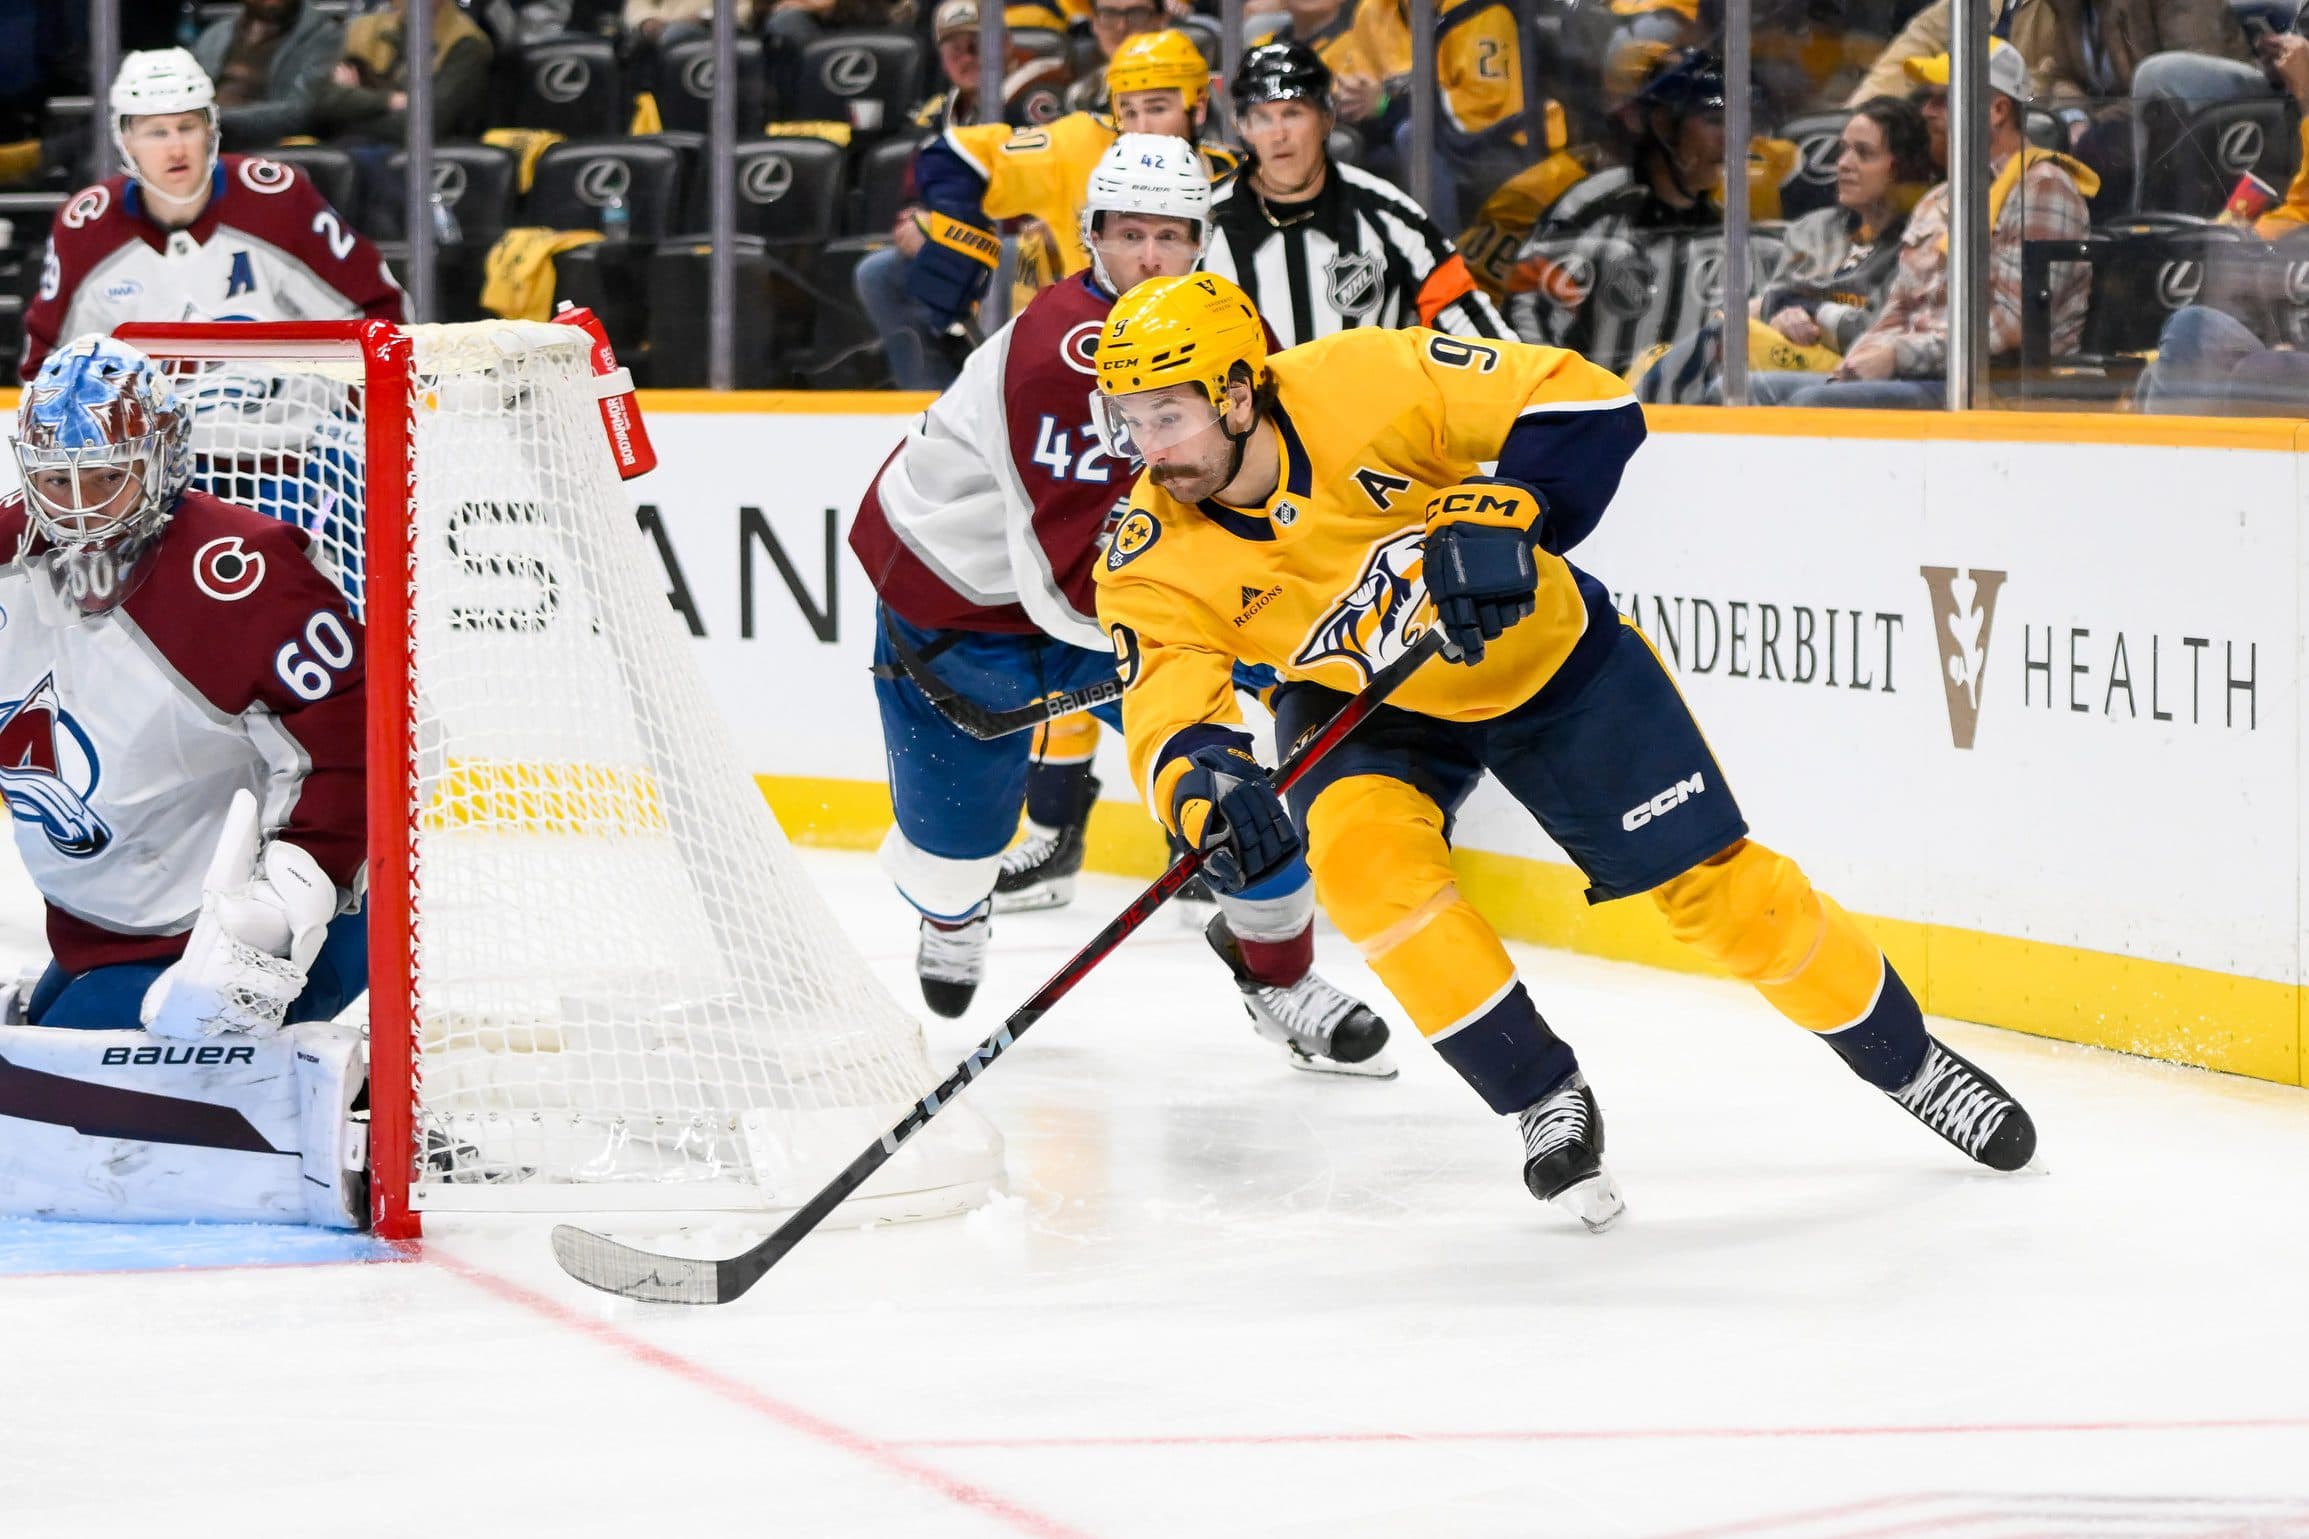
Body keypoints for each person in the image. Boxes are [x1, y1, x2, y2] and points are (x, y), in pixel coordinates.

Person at [1091, 271, 2040, 1227]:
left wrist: (1513, 505)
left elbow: (1582, 394)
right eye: (1129, 420)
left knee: (1722, 895)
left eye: (1168, 415)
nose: (1150, 448)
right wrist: (1204, 789)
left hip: (1544, 661)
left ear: (1239, 393)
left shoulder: (1362, 377)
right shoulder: (1145, 551)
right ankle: (1543, 1097)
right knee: (1362, 866)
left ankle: (1910, 1064)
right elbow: (1167, 708)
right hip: (1358, 702)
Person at [848, 137, 1395, 1077]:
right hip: (959, 601)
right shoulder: (1058, 353)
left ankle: (1279, 979)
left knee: (1224, 786)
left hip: (1113, 593)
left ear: (1202, 239)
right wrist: (1250, 645)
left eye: (1172, 235)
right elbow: (1059, 569)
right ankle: (953, 905)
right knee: (955, 848)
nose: (1149, 256)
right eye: (1129, 233)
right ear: (1088, 235)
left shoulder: (1225, 327)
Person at [0, 335, 370, 1230]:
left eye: (105, 480)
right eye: (58, 480)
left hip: (229, 941)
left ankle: (352, 1064)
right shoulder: (9, 554)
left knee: (40, 1104)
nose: (79, 509)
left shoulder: (243, 573)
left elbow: (354, 743)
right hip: (102, 925)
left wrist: (279, 912)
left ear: (163, 463)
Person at [20, 48, 405, 382]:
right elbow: (49, 367)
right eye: (157, 132)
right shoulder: (87, 228)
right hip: (154, 463)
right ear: (127, 142)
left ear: (211, 129)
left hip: (293, 451)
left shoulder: (278, 202)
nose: (176, 149)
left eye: (187, 127)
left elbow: (380, 313)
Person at [1750, 40, 2094, 408]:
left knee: (1812, 404)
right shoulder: (1937, 199)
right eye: (1927, 99)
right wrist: (1855, 364)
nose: (1926, 112)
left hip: (1990, 388)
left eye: (1942, 100)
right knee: (1743, 391)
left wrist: (1896, 356)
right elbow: (1897, 310)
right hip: (1921, 376)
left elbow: (2013, 324)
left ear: (1997, 109)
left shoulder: (2042, 186)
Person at [1203, 41, 1506, 345]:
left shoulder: (1390, 217)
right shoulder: (1202, 224)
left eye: (1293, 113)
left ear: (1327, 118)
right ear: (1241, 127)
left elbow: (1476, 332)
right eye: (1262, 118)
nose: (1279, 134)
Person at [1635, 95, 1934, 403]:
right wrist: (1782, 312)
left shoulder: (1915, 243)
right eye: (1843, 150)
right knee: (1660, 356)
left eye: (1864, 153)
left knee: (1726, 342)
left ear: (1902, 168)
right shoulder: (1814, 229)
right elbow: (1769, 303)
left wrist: (1808, 311)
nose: (1844, 164)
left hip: (1850, 363)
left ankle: (1634, 419)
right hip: (1789, 348)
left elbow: (1872, 330)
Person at [305, 0, 495, 146]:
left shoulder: (466, 43)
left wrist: (350, 107)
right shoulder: (364, 30)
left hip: (426, 159)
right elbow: (318, 102)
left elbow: (425, 124)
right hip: (349, 147)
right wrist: (390, 101)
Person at [190, 0, 345, 151]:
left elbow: (301, 110)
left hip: (263, 144)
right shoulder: (218, 32)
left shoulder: (323, 34)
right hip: (201, 133)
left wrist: (215, 117)